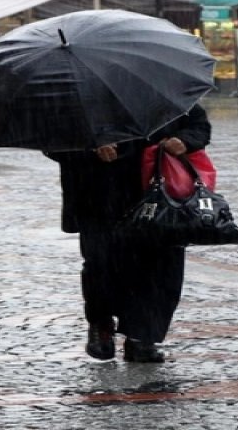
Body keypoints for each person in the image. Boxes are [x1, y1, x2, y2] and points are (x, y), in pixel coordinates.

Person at [47, 104, 212, 363]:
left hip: (158, 195)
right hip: (99, 198)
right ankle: (101, 326)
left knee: (161, 268)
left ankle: (142, 337)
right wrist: (91, 148)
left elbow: (199, 126)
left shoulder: (162, 89)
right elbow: (53, 141)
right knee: (102, 266)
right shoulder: (74, 97)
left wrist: (184, 141)